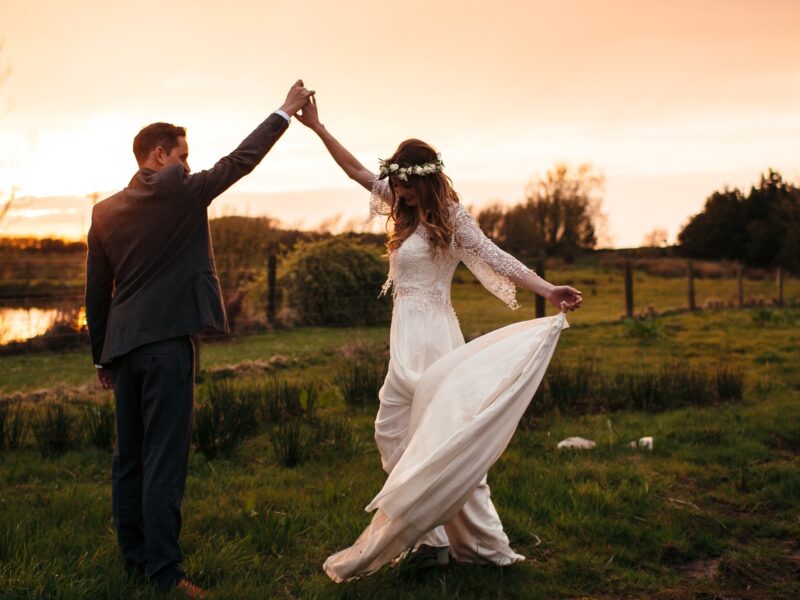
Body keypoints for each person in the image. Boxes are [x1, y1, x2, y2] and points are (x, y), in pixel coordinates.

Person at [295, 96, 582, 581]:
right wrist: (318, 129)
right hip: (404, 336)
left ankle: (462, 544)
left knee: (441, 437)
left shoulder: (452, 217)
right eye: (396, 186)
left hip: (432, 340)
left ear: (423, 179)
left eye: (406, 187)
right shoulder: (403, 206)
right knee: (393, 431)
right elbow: (353, 170)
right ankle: (431, 536)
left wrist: (548, 288)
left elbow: (497, 258)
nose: (398, 195)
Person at [84, 80, 314, 598]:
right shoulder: (178, 189)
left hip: (122, 350)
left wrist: (101, 355)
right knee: (165, 459)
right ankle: (165, 574)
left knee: (128, 460)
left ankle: (134, 560)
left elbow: (96, 292)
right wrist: (283, 111)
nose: (190, 164)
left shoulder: (105, 210)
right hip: (167, 347)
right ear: (159, 155)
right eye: (184, 155)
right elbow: (240, 162)